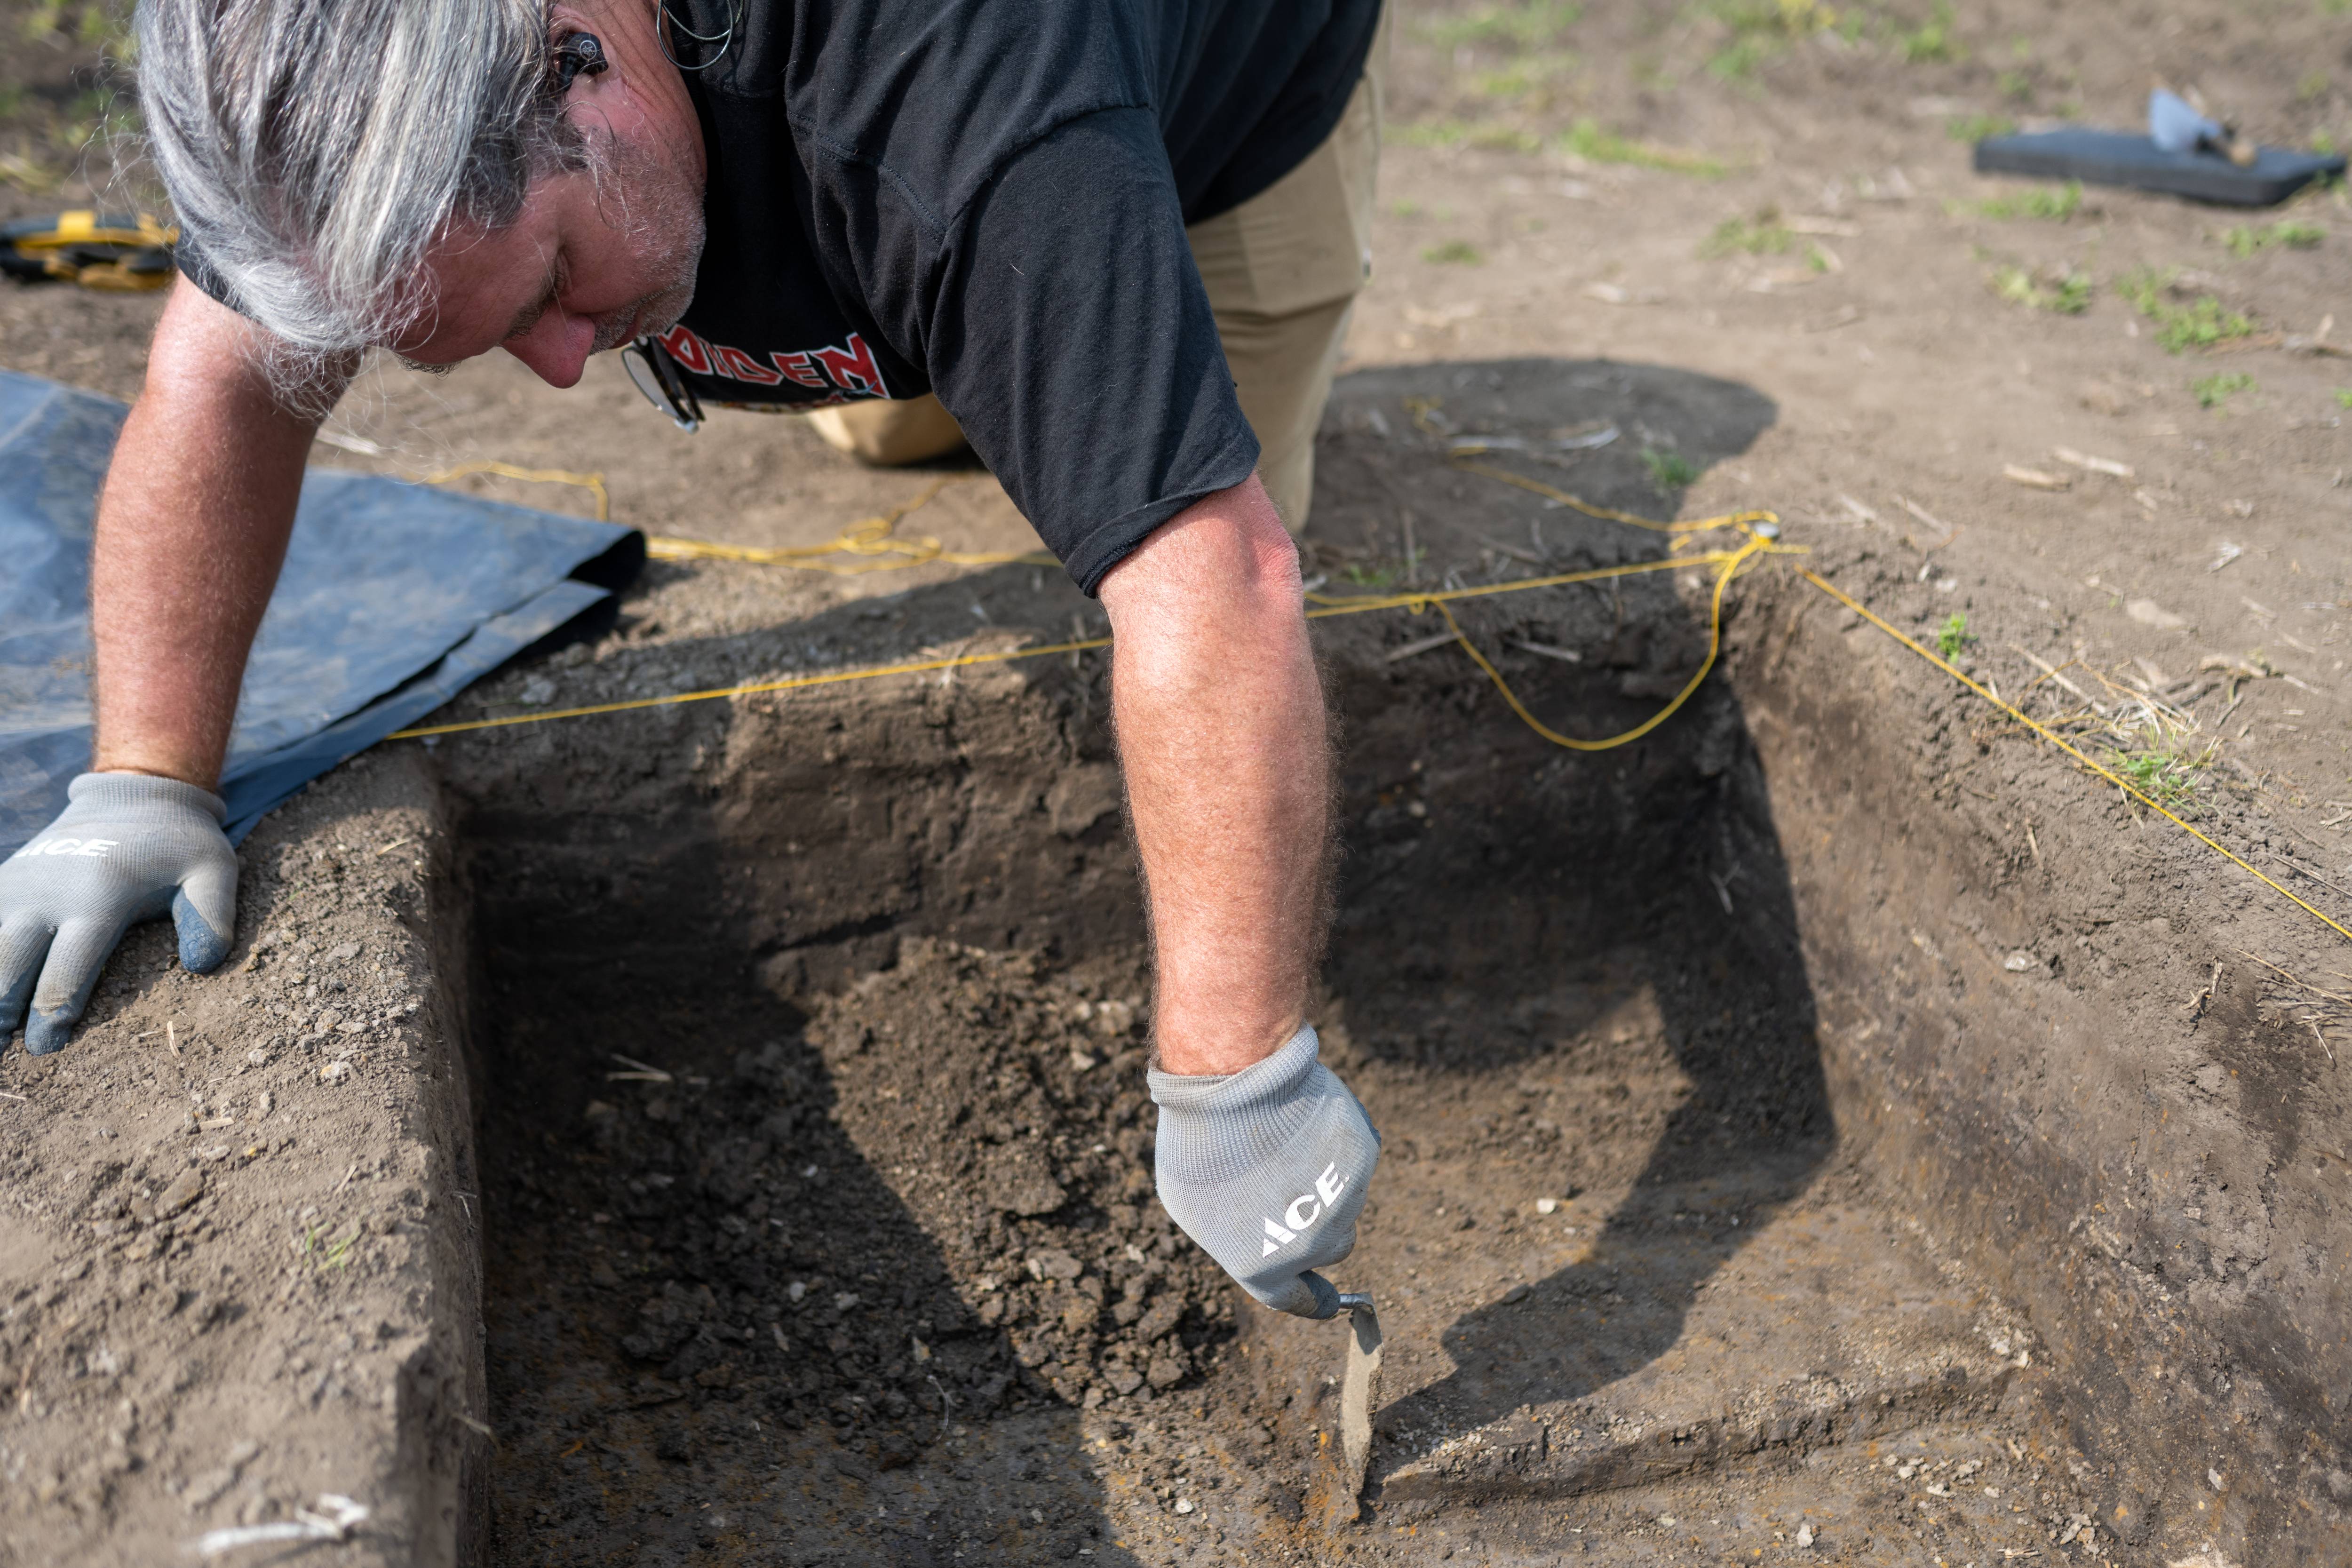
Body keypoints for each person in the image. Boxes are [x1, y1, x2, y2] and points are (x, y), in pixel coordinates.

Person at [0, 0, 1383, 1321]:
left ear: (575, 60)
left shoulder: (965, 104)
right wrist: (146, 777)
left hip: (1220, 139)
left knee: (1172, 486)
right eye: (485, 341)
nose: (559, 368)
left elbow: (1215, 577)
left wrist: (1234, 1079)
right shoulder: (319, 75)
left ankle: (1034, 333)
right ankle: (956, 351)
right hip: (897, 194)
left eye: (547, 284)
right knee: (948, 364)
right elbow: (221, 379)